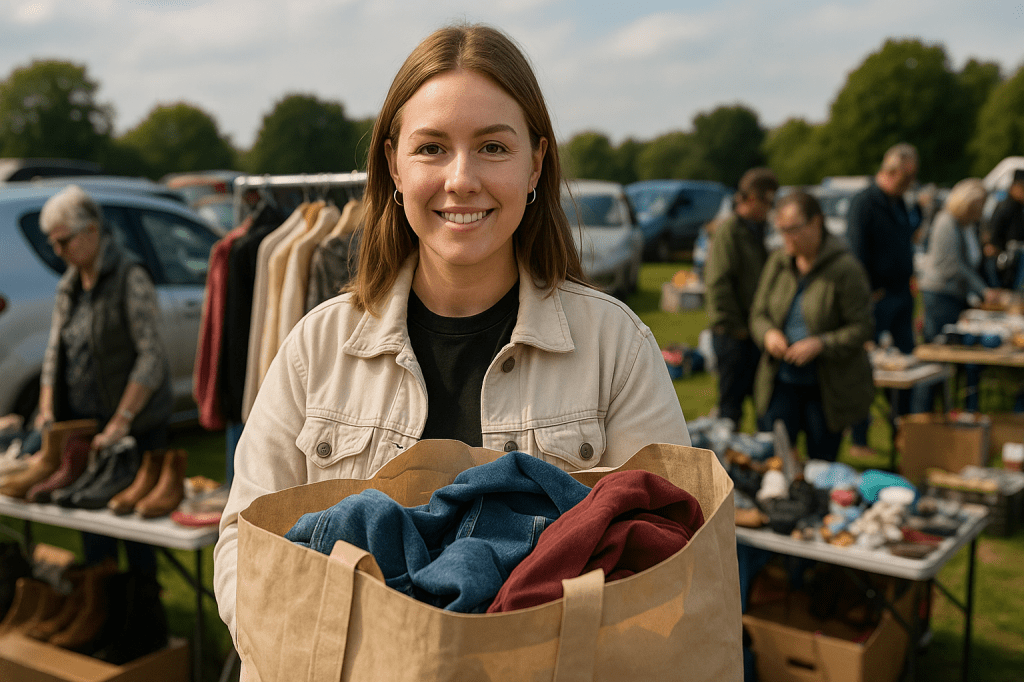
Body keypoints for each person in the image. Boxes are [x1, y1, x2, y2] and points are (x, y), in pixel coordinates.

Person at [213, 23, 690, 643]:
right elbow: (241, 547)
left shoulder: (615, 349)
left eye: (493, 147)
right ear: (393, 164)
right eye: (432, 147)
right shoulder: (316, 348)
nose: (461, 178)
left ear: (535, 163)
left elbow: (674, 557)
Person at [37, 184, 173, 574]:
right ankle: (103, 611)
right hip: (88, 427)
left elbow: (150, 358)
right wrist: (47, 408)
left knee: (135, 529)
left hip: (135, 427)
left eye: (63, 242)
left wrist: (122, 420)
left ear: (92, 231)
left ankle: (145, 612)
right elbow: (54, 352)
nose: (58, 251)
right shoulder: (69, 285)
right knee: (91, 526)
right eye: (53, 244)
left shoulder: (130, 277)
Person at [750, 190, 874, 462]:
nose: (786, 238)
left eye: (793, 230)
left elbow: (862, 326)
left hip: (826, 387)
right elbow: (758, 313)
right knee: (777, 461)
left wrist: (821, 343)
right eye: (781, 230)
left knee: (821, 465)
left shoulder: (845, 269)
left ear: (816, 223)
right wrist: (769, 334)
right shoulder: (778, 263)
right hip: (781, 380)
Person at [845, 143, 919, 457]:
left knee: (906, 363)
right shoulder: (865, 203)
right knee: (867, 368)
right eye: (905, 179)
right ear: (890, 172)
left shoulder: (900, 201)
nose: (908, 186)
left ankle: (903, 430)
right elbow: (857, 251)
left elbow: (906, 240)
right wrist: (867, 294)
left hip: (902, 293)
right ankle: (860, 437)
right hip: (877, 296)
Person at [703, 168, 779, 427]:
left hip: (753, 333)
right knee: (730, 411)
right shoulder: (730, 231)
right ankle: (725, 465)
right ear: (751, 199)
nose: (771, 208)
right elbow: (718, 284)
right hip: (733, 336)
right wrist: (737, 330)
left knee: (764, 405)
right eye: (768, 201)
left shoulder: (757, 229)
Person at [917, 178, 997, 412]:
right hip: (940, 295)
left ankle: (944, 411)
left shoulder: (964, 225)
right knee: (936, 356)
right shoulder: (946, 222)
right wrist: (983, 290)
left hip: (953, 295)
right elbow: (954, 265)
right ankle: (923, 414)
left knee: (948, 358)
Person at [983, 169, 1024, 288]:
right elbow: (993, 233)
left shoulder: (1018, 207)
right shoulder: (1004, 207)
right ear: (1014, 187)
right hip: (1002, 257)